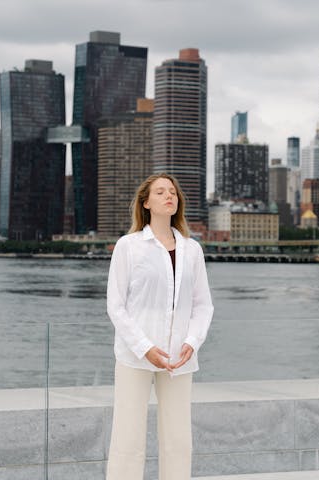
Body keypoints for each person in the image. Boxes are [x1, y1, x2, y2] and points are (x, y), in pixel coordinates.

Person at [105, 173, 214, 480]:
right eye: (161, 192)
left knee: (178, 439)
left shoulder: (192, 250)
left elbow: (203, 304)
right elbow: (116, 305)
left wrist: (191, 342)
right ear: (146, 202)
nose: (170, 196)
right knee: (128, 437)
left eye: (173, 192)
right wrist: (145, 348)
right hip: (135, 356)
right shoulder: (129, 246)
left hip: (179, 357)